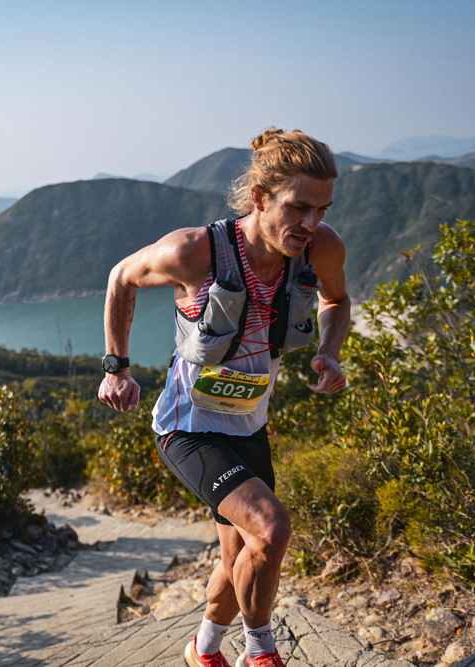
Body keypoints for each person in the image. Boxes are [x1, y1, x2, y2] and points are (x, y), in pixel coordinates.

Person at [98, 128, 350, 667]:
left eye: (322, 209)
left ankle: (202, 649)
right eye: (298, 207)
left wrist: (329, 352)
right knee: (271, 529)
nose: (311, 223)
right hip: (188, 428)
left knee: (240, 553)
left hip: (249, 425)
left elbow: (337, 300)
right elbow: (121, 277)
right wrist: (116, 367)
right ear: (259, 197)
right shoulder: (195, 252)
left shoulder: (320, 248)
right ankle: (261, 653)